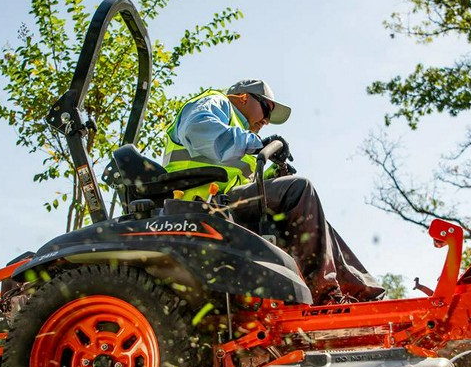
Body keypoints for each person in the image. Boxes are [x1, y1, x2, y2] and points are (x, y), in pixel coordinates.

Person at [161, 79, 385, 305]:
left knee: (312, 218)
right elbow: (199, 131)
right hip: (196, 204)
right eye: (266, 109)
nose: (267, 120)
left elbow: (239, 182)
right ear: (243, 97)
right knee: (300, 189)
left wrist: (274, 177)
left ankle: (366, 297)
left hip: (223, 202)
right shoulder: (215, 103)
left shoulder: (239, 136)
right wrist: (257, 144)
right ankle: (324, 295)